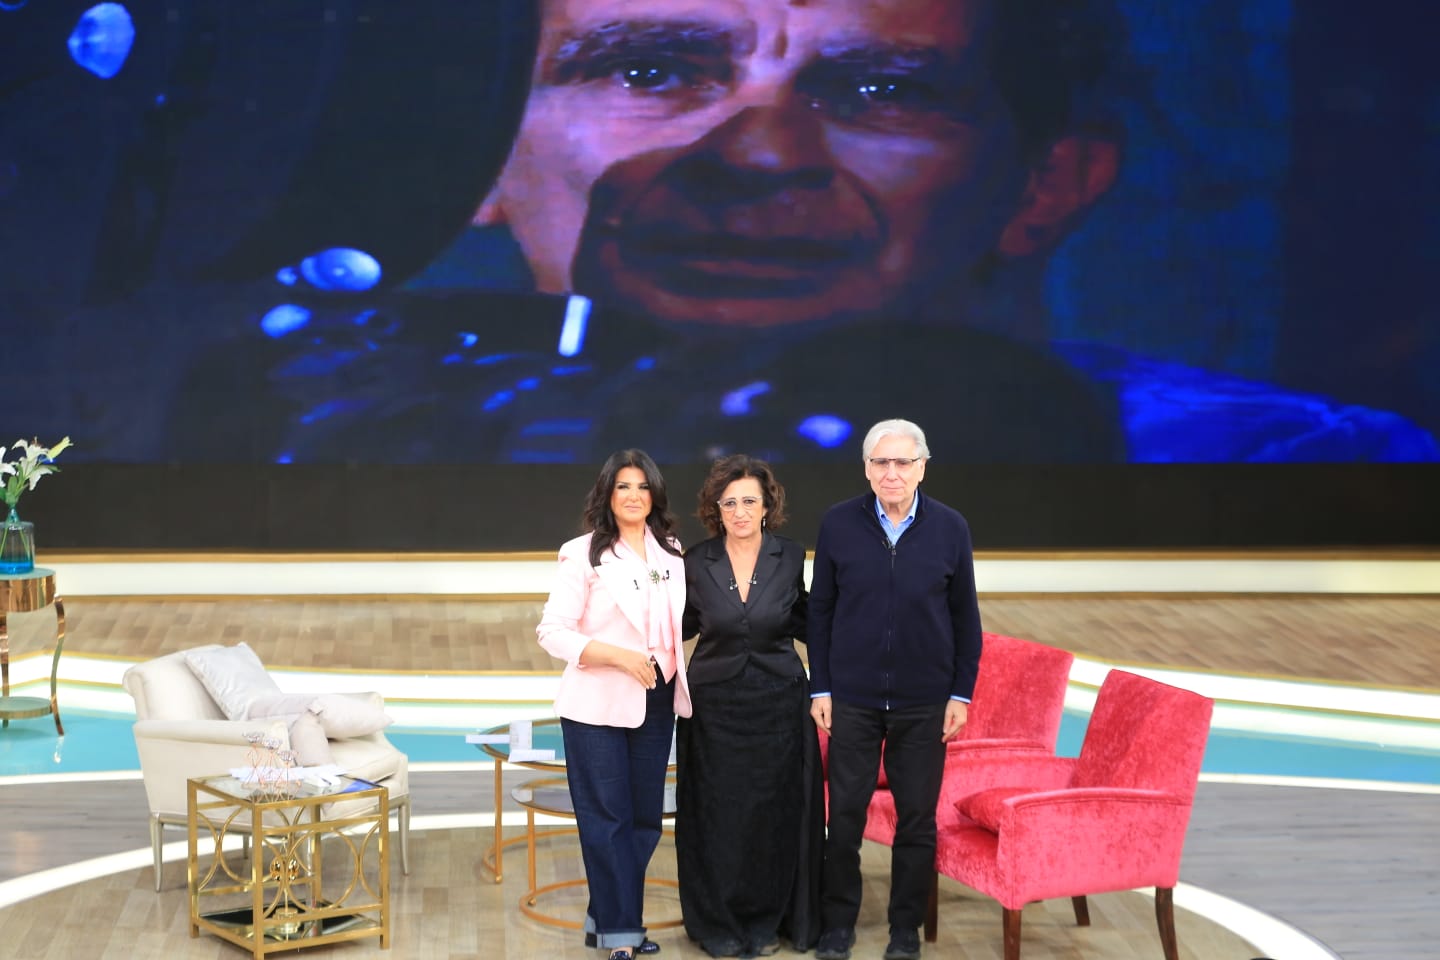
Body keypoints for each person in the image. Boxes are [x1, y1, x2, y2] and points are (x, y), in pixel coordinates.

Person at [807, 419, 983, 960]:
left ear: (921, 467)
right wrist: (821, 687)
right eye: (881, 462)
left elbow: (965, 617)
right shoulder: (838, 523)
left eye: (903, 462)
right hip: (852, 700)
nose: (892, 472)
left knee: (917, 821)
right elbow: (821, 611)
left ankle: (905, 931)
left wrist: (961, 694)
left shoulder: (951, 528)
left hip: (924, 702)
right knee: (845, 818)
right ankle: (838, 926)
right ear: (866, 468)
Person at [536, 448, 692, 960]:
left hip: (658, 699)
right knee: (607, 819)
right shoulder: (581, 553)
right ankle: (623, 935)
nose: (633, 495)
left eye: (642, 486)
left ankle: (607, 919)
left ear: (655, 495)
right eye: (623, 486)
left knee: (645, 820)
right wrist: (620, 657)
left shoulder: (670, 550)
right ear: (606, 493)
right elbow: (552, 632)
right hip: (595, 706)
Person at [674, 455, 822, 958]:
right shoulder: (695, 560)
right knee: (717, 816)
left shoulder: (790, 554)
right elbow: (680, 626)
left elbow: (804, 621)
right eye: (729, 502)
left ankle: (764, 921)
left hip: (779, 702)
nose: (739, 511)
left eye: (749, 501)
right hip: (714, 707)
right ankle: (716, 923)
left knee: (771, 816)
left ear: (766, 506)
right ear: (716, 509)